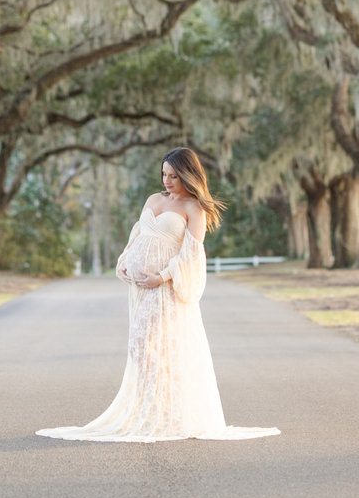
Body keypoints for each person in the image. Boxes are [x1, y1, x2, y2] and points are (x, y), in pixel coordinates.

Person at [36, 147, 280, 443]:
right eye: (164, 174)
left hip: (166, 290)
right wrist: (125, 261)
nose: (167, 181)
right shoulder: (154, 199)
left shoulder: (194, 208)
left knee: (157, 347)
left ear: (188, 175)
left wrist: (161, 277)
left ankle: (166, 414)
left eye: (173, 176)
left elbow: (191, 256)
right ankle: (149, 410)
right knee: (141, 348)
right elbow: (138, 235)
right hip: (140, 289)